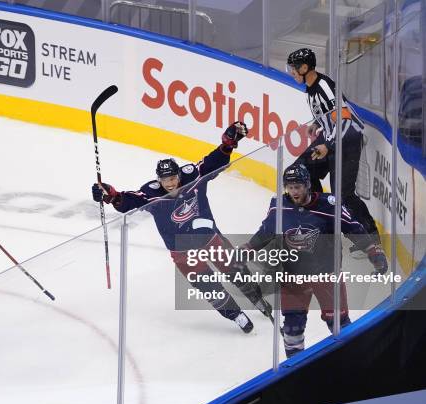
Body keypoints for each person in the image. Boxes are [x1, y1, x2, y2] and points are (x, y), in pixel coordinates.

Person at [92, 122, 273, 334]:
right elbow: (128, 201)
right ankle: (236, 315)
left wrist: (228, 144)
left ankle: (257, 299)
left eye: (173, 178)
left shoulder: (193, 177)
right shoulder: (152, 195)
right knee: (209, 287)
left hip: (209, 238)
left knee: (236, 270)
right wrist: (110, 195)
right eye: (165, 180)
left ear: (179, 174)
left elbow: (213, 162)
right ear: (158, 180)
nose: (170, 184)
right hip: (182, 252)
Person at [244, 163, 388, 357]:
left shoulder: (329, 205)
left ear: (307, 186)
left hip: (326, 274)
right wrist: (247, 249)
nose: (294, 192)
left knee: (338, 323)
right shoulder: (278, 205)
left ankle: (352, 358)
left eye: (298, 187)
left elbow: (353, 227)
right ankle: (294, 370)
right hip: (293, 275)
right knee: (292, 328)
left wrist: (373, 251)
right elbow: (265, 233)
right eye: (290, 187)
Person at [286, 48, 380, 252]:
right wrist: (318, 123)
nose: (290, 73)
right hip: (330, 138)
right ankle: (322, 219)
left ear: (304, 68)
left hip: (348, 141)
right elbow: (329, 113)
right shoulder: (311, 87)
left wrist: (327, 145)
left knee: (344, 194)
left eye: (292, 69)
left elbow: (344, 118)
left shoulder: (324, 87)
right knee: (301, 170)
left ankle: (371, 238)